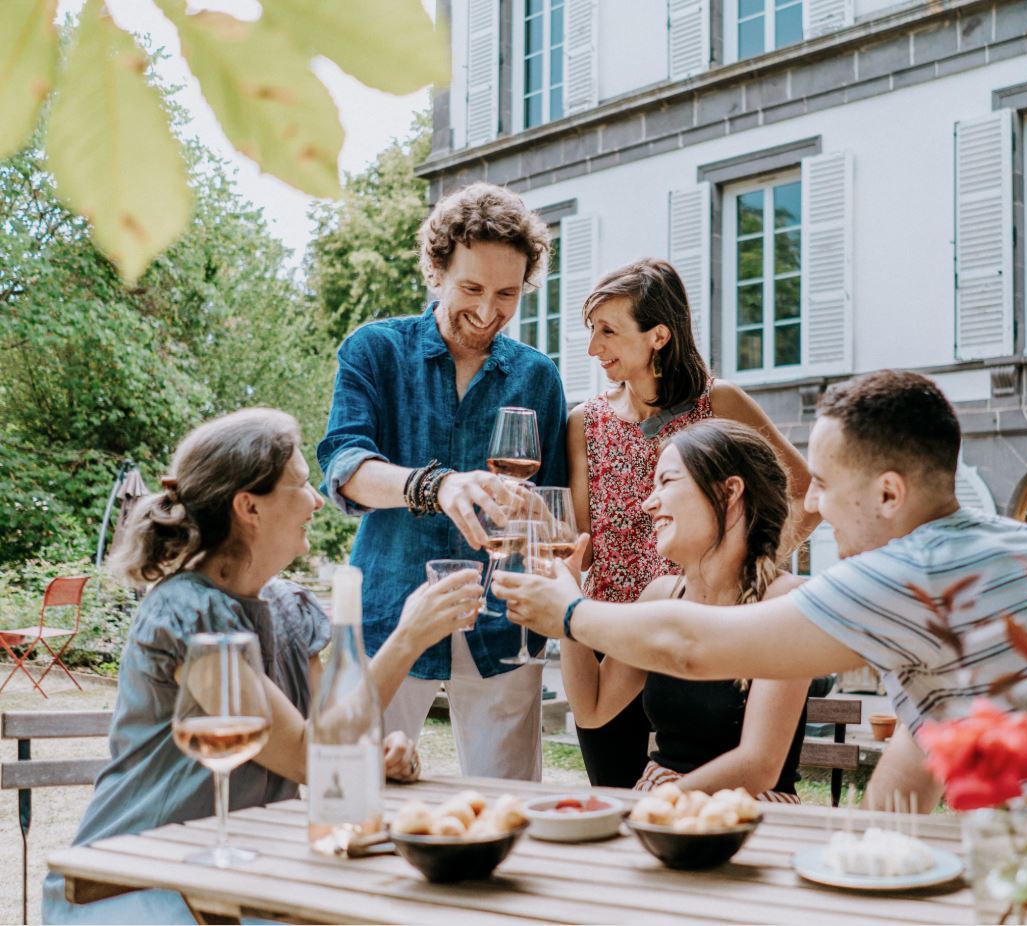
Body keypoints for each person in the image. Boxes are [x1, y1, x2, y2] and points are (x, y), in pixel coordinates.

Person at [497, 371, 1027, 836]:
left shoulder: (909, 572)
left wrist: (566, 610)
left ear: (888, 492)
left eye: (822, 481)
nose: (810, 500)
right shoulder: (1015, 546)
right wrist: (862, 857)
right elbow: (918, 756)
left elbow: (693, 646)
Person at [44, 409, 483, 924]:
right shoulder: (188, 612)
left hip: (244, 874)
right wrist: (408, 639)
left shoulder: (291, 608)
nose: (318, 500)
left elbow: (332, 736)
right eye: (300, 485)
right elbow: (306, 757)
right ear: (249, 506)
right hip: (133, 879)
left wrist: (373, 754)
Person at [317, 182, 567, 782]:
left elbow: (556, 512)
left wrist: (535, 520)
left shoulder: (539, 376)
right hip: (390, 613)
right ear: (436, 271)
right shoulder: (375, 350)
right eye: (472, 289)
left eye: (507, 294)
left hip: (503, 628)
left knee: (509, 809)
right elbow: (346, 467)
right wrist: (439, 487)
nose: (487, 312)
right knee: (354, 784)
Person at [569, 257, 817, 787]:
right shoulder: (584, 421)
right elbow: (581, 543)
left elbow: (806, 493)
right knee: (620, 804)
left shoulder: (718, 402)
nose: (594, 348)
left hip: (709, 631)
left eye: (608, 331)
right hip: (616, 645)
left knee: (700, 791)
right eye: (592, 330)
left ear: (658, 334)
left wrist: (745, 573)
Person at [564, 419, 810, 800]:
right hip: (660, 798)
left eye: (668, 482)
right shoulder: (661, 595)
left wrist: (655, 806)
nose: (649, 502)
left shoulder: (786, 602)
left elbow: (760, 765)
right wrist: (569, 601)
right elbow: (592, 709)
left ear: (729, 492)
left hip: (752, 809)